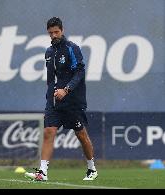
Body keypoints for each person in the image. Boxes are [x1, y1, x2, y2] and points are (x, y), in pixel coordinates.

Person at [25, 17, 98, 181]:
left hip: (73, 101)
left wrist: (66, 90)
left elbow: (80, 72)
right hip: (55, 101)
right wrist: (49, 100)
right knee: (49, 132)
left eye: (56, 32)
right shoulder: (49, 52)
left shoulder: (72, 48)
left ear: (62, 30)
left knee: (81, 135)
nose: (54, 35)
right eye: (50, 33)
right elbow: (50, 79)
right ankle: (42, 172)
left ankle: (91, 168)